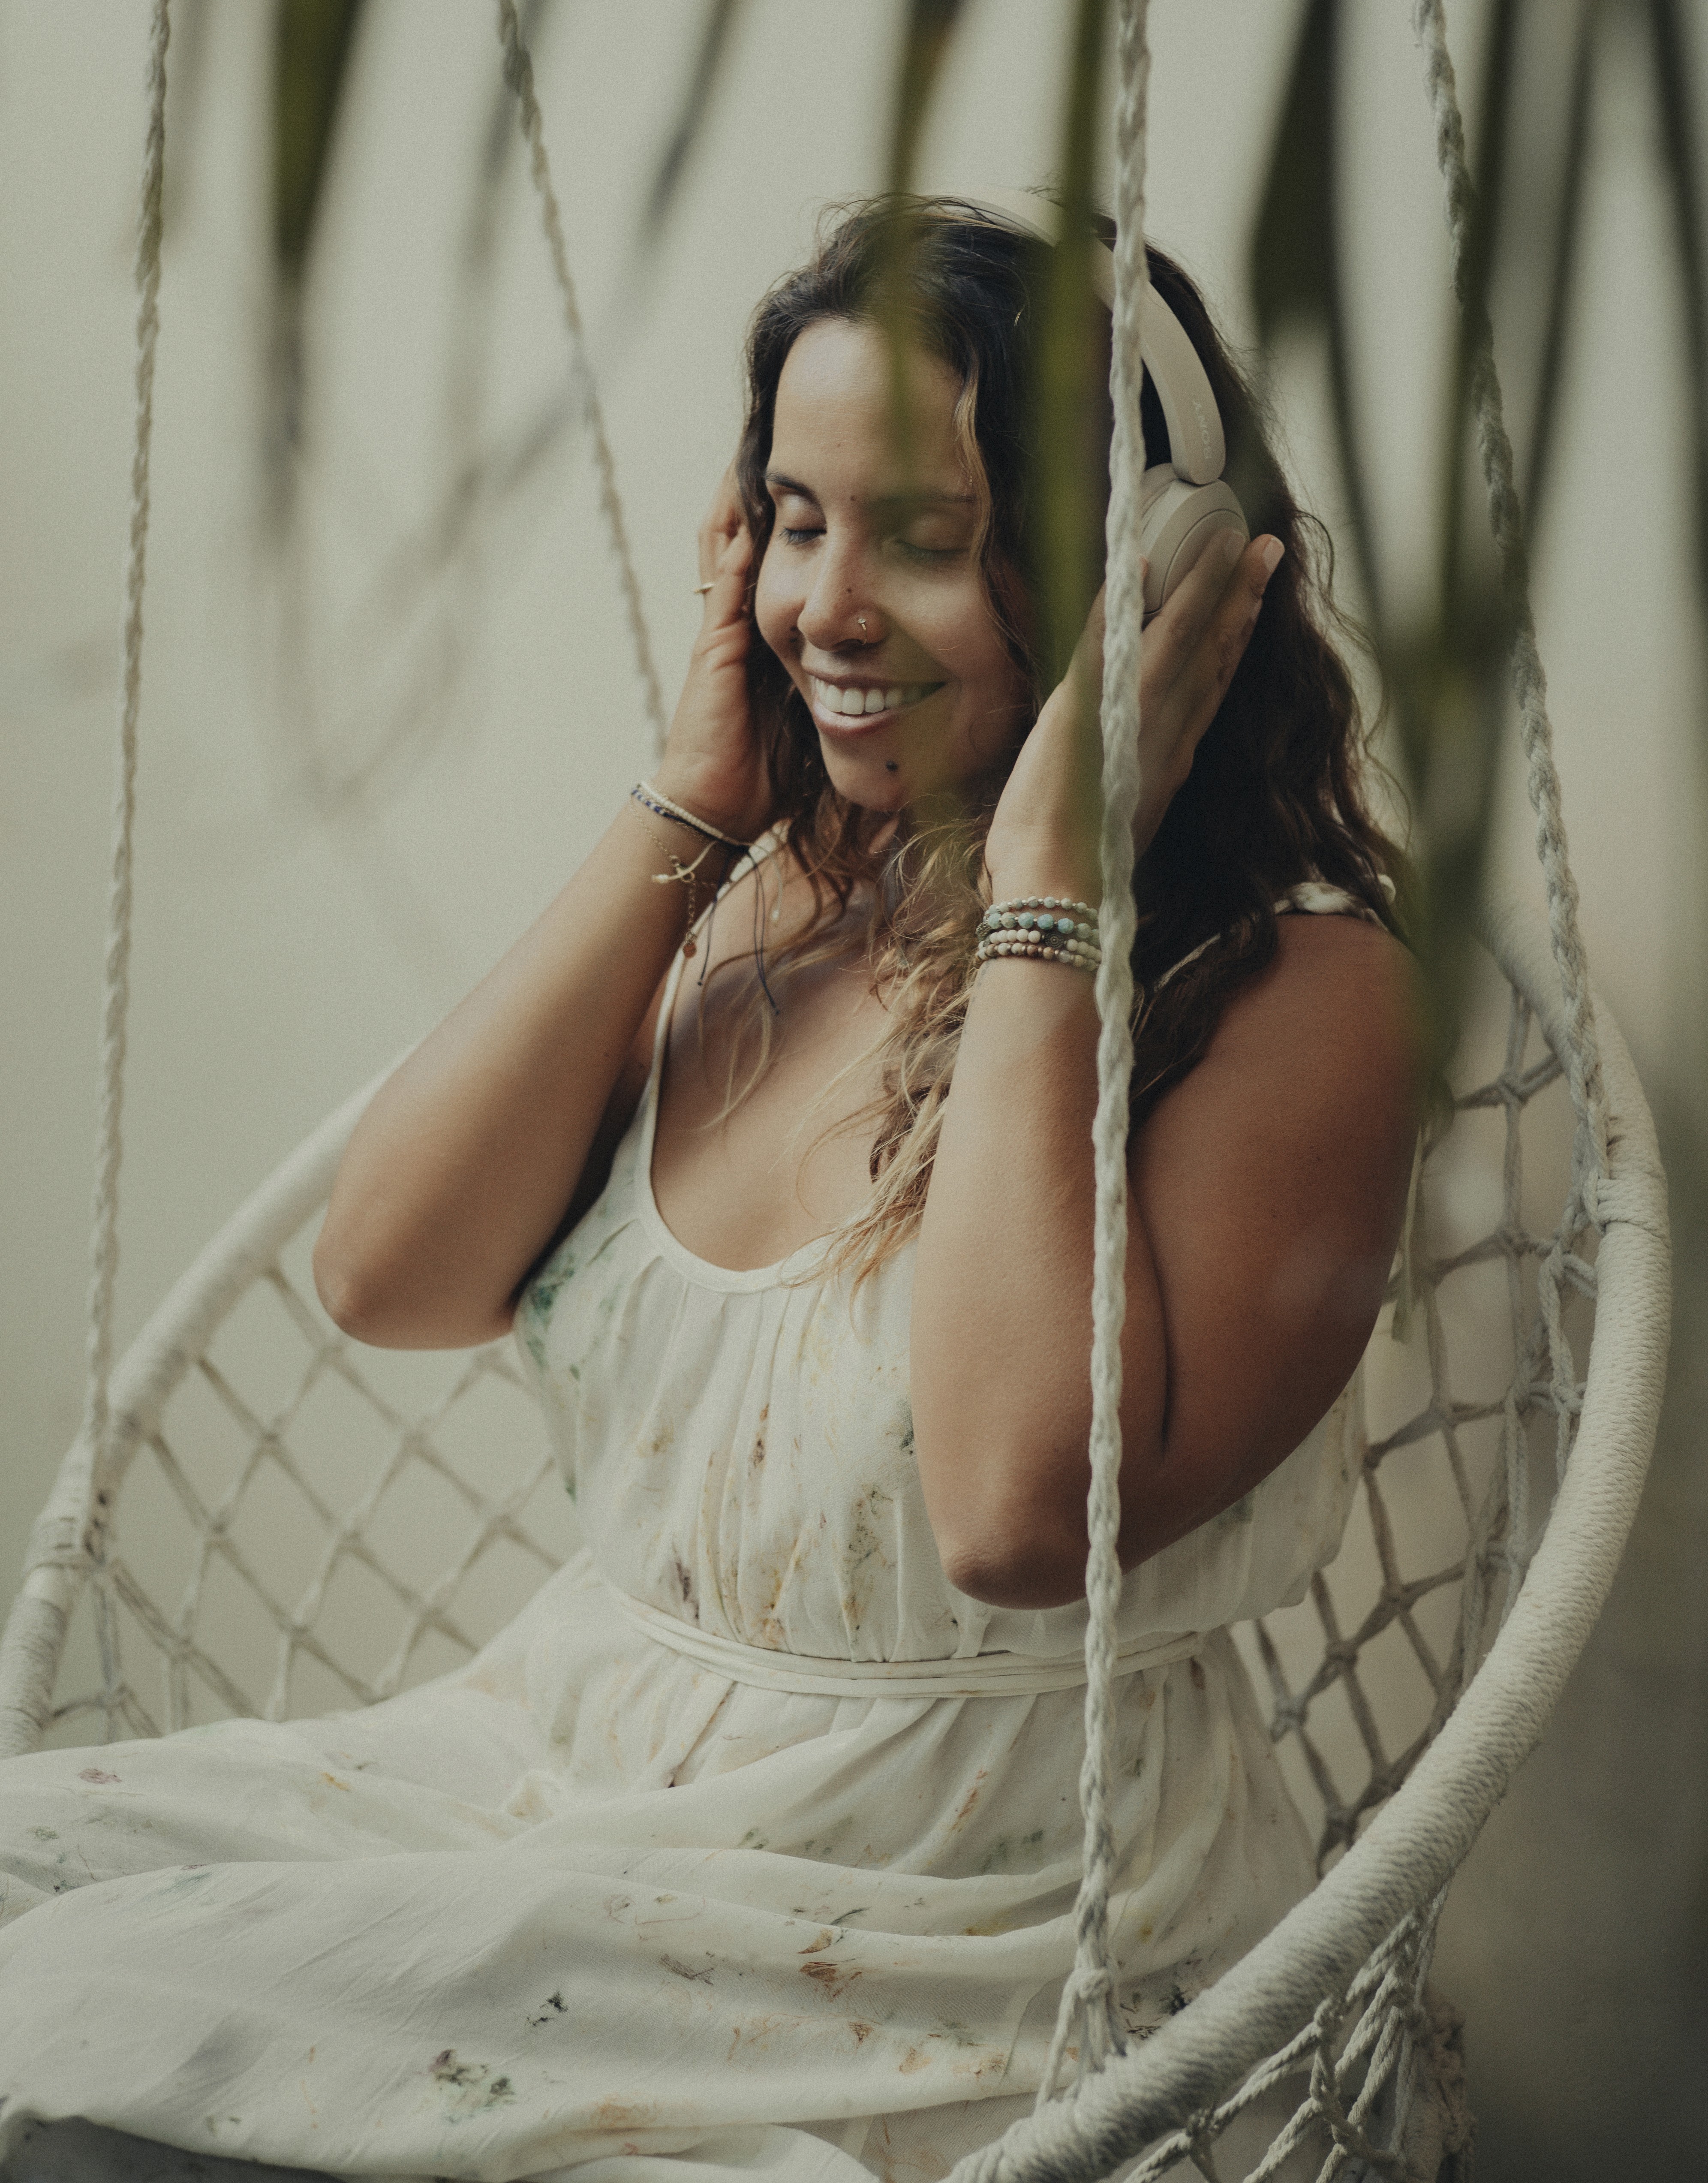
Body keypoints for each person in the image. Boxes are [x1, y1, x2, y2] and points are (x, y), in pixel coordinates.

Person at [0, 201, 1419, 2183]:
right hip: (560, 1780)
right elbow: (388, 1273)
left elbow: (1021, 1514)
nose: (826, 605)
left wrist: (1055, 882)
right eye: (793, 516)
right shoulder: (776, 900)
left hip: (953, 1917)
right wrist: (689, 793)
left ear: (1150, 583)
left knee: (81, 2081)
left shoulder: (1299, 991)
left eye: (926, 536)